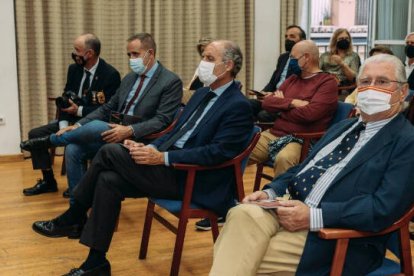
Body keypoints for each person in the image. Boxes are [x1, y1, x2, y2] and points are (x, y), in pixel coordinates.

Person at [31, 40, 253, 276]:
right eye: (204, 58)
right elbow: (173, 132)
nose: (202, 64)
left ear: (228, 65)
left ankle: (74, 215)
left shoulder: (238, 106)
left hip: (192, 179)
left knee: (108, 151)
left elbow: (217, 153)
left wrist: (164, 157)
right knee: (108, 179)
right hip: (170, 168)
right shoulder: (200, 94)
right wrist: (147, 147)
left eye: (209, 59)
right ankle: (95, 263)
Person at [210, 54, 414, 276]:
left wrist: (314, 216)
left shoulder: (407, 141)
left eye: (382, 81)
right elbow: (302, 170)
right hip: (288, 207)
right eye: (365, 82)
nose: (371, 88)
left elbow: (382, 208)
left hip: (335, 235)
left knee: (237, 251)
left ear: (402, 91)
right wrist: (270, 192)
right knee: (241, 215)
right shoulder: (343, 127)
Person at [21, 33, 183, 202]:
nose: (131, 59)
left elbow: (162, 120)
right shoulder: (129, 78)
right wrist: (78, 126)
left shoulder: (170, 81)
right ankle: (78, 206)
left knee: (98, 124)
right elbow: (108, 107)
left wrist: (129, 130)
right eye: (129, 55)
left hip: (139, 139)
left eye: (135, 54)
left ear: (150, 53)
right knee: (73, 149)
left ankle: (50, 141)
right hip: (113, 131)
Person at [21, 33, 121, 196]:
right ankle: (48, 181)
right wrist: (63, 125)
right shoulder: (74, 69)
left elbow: (106, 110)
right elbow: (65, 100)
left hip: (93, 123)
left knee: (76, 144)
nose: (74, 54)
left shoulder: (110, 75)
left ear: (89, 53)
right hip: (70, 119)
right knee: (35, 135)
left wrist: (79, 111)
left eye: (77, 50)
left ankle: (80, 184)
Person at [249, 40, 338, 178]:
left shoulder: (327, 83)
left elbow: (310, 114)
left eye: (293, 58)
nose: (290, 61)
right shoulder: (293, 79)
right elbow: (267, 103)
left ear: (307, 57)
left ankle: (280, 197)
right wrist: (293, 103)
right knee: (240, 149)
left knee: (284, 158)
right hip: (274, 134)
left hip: (301, 139)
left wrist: (281, 104)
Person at [249, 25, 306, 122]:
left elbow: (299, 87)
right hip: (271, 98)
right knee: (246, 104)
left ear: (302, 40)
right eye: (286, 36)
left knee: (263, 114)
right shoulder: (283, 57)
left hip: (285, 100)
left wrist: (273, 96)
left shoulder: (304, 60)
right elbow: (273, 82)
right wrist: (262, 93)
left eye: (292, 36)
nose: (288, 39)